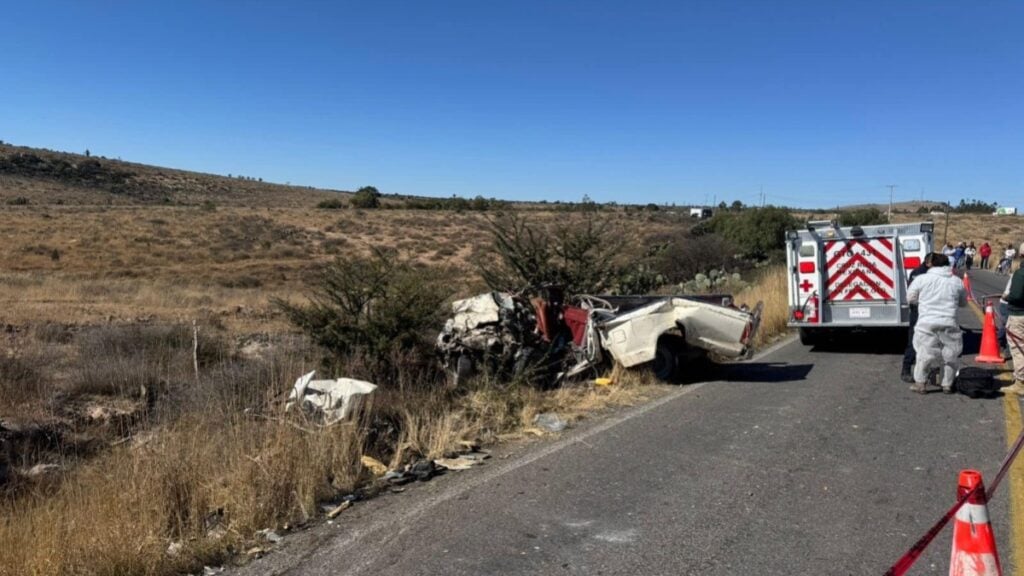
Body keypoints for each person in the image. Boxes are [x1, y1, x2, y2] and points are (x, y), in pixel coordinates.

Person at [907, 253, 966, 394]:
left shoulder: (921, 279)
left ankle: (920, 383)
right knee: (951, 354)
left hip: (926, 321)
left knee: (924, 353)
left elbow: (910, 298)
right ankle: (947, 384)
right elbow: (963, 303)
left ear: (931, 264)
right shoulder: (957, 281)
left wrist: (922, 302)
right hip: (949, 321)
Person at [901, 252, 936, 382]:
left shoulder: (929, 274)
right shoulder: (919, 274)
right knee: (914, 341)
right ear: (928, 263)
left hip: (926, 311)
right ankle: (906, 368)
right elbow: (912, 296)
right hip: (918, 311)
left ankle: (925, 371)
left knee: (929, 343)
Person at [1000, 260, 1024, 396]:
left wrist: (1006, 297)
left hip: (1019, 315)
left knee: (1018, 348)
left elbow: (1016, 296)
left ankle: (1020, 383)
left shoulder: (1020, 274)